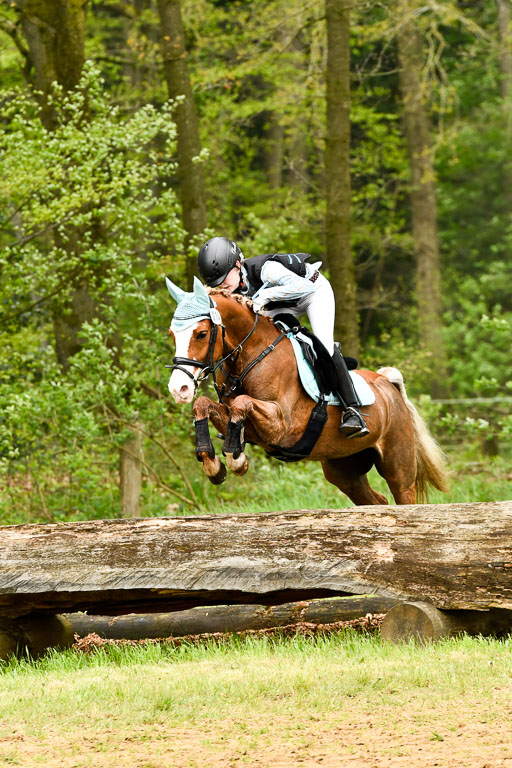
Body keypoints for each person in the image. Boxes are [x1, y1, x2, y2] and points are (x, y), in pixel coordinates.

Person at [197, 236, 369, 438]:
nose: (221, 286)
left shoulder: (265, 268)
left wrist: (265, 297)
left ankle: (353, 410)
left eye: (223, 278)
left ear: (237, 265)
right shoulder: (233, 288)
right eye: (215, 283)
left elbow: (305, 288)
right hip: (281, 303)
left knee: (325, 345)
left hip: (312, 293)